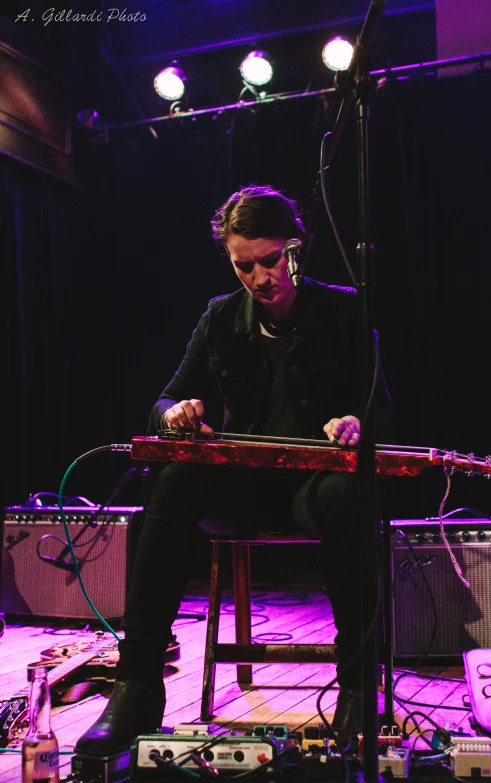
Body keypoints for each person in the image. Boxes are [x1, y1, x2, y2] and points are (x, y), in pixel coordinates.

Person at [75, 185, 394, 757]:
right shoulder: (221, 318)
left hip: (313, 489)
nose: (259, 277)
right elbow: (167, 397)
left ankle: (357, 688)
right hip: (244, 490)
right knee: (173, 479)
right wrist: (175, 413)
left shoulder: (345, 309)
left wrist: (355, 421)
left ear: (295, 250)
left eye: (270, 260)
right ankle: (138, 685)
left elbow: (383, 409)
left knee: (350, 493)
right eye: (242, 265)